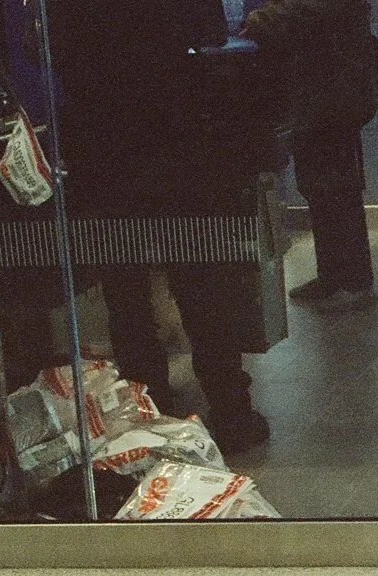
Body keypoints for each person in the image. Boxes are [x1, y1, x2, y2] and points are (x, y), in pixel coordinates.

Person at [48, 0, 272, 452]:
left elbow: (51, 49)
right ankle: (230, 409)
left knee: (125, 288)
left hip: (102, 137)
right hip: (176, 129)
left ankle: (145, 404)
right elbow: (209, 31)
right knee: (201, 280)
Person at [240, 0, 378, 310]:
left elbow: (302, 12)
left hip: (330, 95)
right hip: (329, 93)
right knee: (325, 188)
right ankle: (336, 276)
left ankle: (352, 280)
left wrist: (259, 17)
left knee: (334, 189)